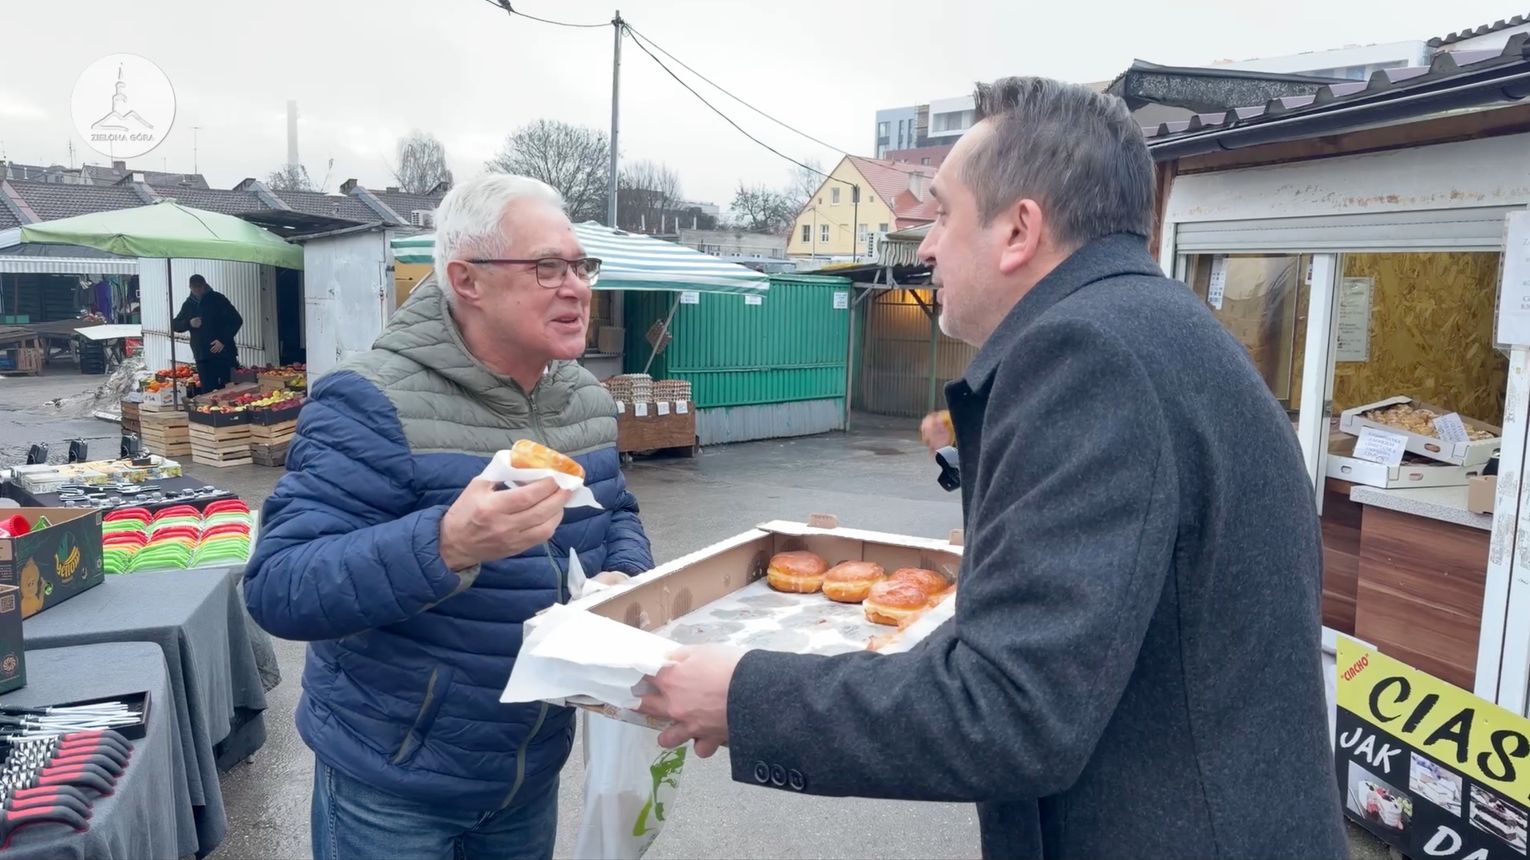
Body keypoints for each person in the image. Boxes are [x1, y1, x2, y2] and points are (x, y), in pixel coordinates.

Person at [638, 76, 1347, 859]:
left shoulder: (1087, 357)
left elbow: (1011, 708)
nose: (927, 245)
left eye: (942, 212)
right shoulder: (1156, 326)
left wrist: (742, 697)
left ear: (1019, 230)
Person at [243, 173, 654, 860]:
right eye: (546, 268)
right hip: (394, 785)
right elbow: (279, 586)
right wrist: (446, 545)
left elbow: (616, 512)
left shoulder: (583, 397)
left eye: (581, 266)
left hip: (528, 766)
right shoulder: (369, 402)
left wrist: (623, 576)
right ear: (467, 280)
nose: (577, 287)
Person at [171, 274, 242, 393]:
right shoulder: (188, 304)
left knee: (230, 389)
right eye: (194, 287)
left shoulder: (218, 299)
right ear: (190, 287)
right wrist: (189, 323)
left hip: (223, 353)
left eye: (200, 287)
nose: (198, 290)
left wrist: (223, 340)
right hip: (202, 355)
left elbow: (236, 320)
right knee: (208, 392)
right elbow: (175, 325)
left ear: (205, 285)